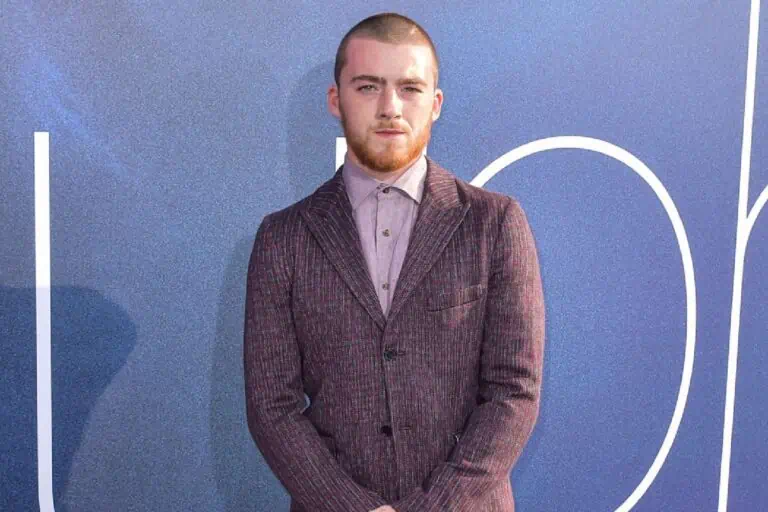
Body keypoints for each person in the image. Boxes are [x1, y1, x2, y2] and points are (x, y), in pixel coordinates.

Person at [244, 12, 545, 512]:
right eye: (368, 87)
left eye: (409, 88)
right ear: (335, 99)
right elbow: (271, 408)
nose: (390, 108)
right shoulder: (283, 238)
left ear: (436, 103)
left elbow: (514, 393)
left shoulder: (494, 224)